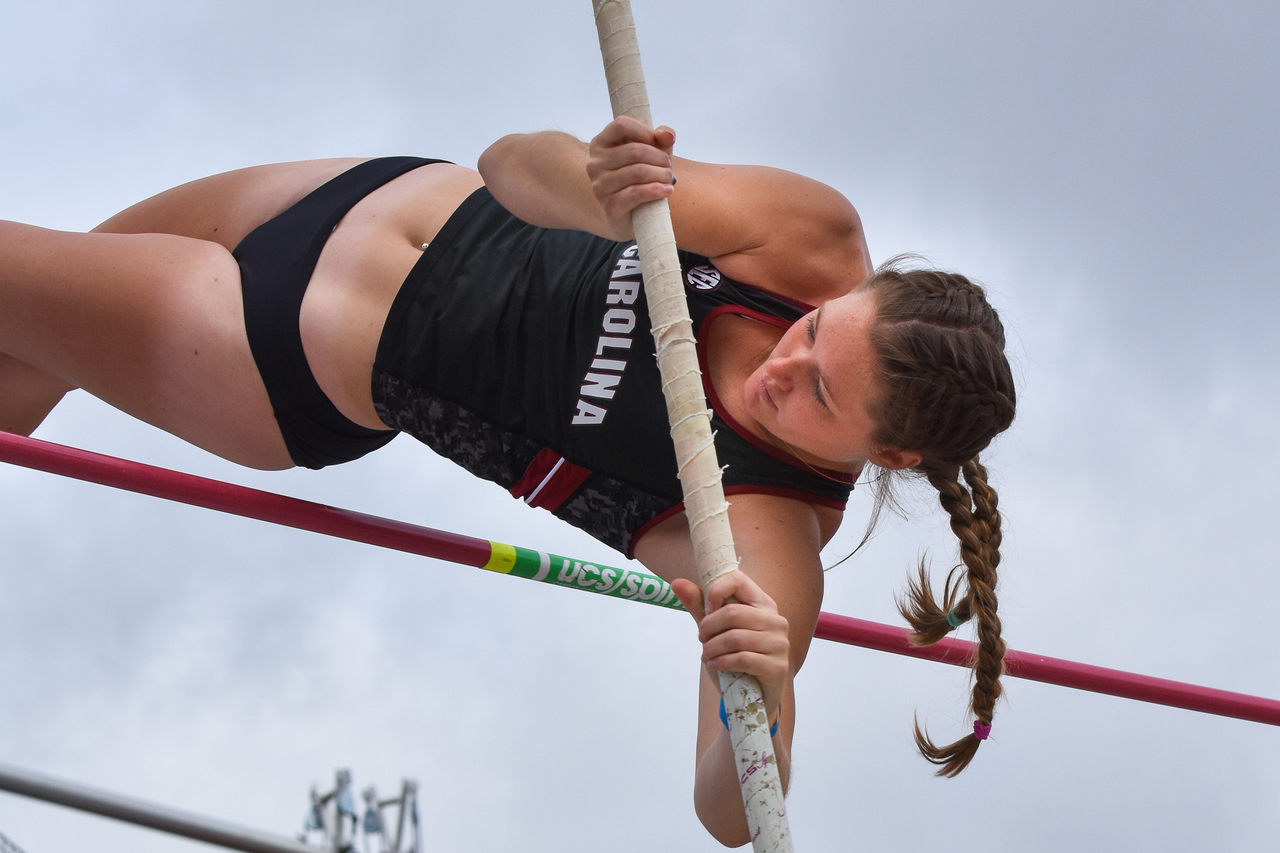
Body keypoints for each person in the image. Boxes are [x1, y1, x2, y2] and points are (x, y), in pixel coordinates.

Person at [0, 117, 1015, 846]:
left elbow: (733, 808)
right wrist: (596, 186)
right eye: (813, 330)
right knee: (17, 379)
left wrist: (769, 686)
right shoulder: (811, 236)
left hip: (276, 349)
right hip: (352, 192)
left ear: (888, 454)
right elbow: (509, 161)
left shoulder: (764, 534)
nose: (784, 367)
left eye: (819, 395)